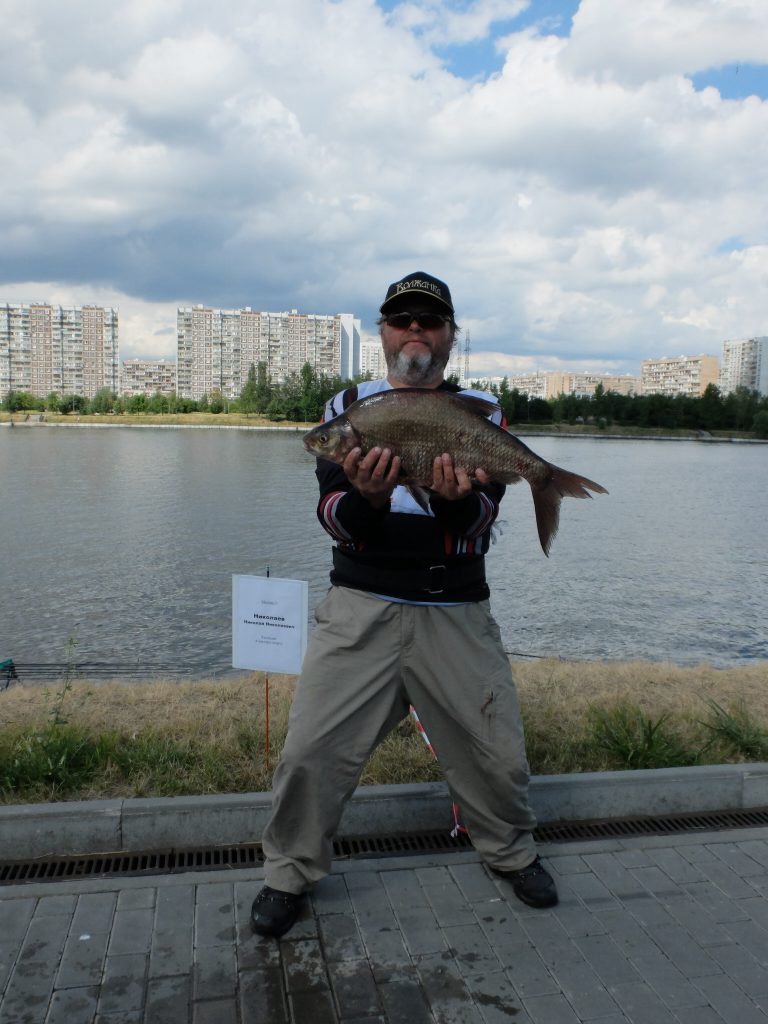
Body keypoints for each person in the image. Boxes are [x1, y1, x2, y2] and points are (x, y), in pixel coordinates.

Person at [251, 271, 557, 939]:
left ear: (450, 337)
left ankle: (511, 850)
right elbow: (335, 520)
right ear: (384, 335)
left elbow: (478, 525)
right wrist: (364, 495)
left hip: (454, 606)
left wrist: (452, 499)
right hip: (359, 605)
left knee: (498, 754)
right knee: (309, 752)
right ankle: (288, 873)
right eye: (401, 320)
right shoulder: (348, 408)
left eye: (429, 320)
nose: (415, 330)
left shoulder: (482, 410)